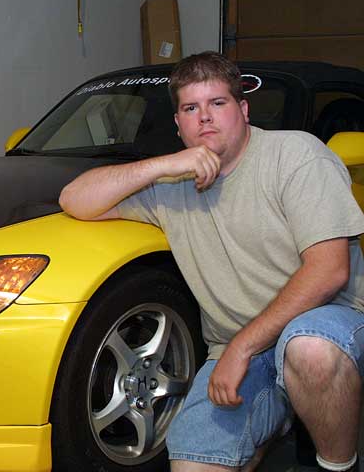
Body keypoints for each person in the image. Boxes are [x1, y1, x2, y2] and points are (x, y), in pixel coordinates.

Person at [59, 51, 364, 472]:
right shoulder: (172, 185)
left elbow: (330, 270)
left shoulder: (296, 155)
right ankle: (274, 418)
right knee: (193, 466)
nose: (204, 117)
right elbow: (74, 199)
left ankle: (339, 465)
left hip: (328, 326)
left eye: (217, 103)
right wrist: (165, 164)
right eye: (190, 108)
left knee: (309, 349)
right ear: (178, 124)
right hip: (240, 350)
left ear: (243, 110)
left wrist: (242, 346)